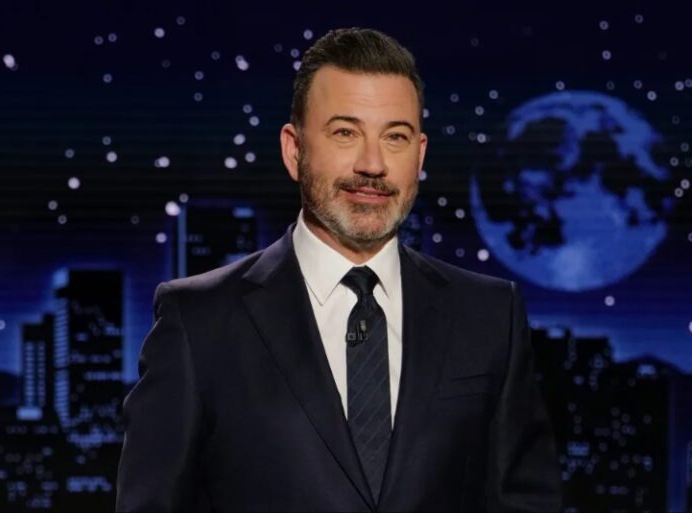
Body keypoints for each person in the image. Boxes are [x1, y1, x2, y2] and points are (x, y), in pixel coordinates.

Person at [116, 27, 562, 512]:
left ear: (420, 155)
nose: (372, 164)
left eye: (395, 137)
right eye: (345, 133)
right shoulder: (197, 320)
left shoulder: (490, 315)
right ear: (294, 150)